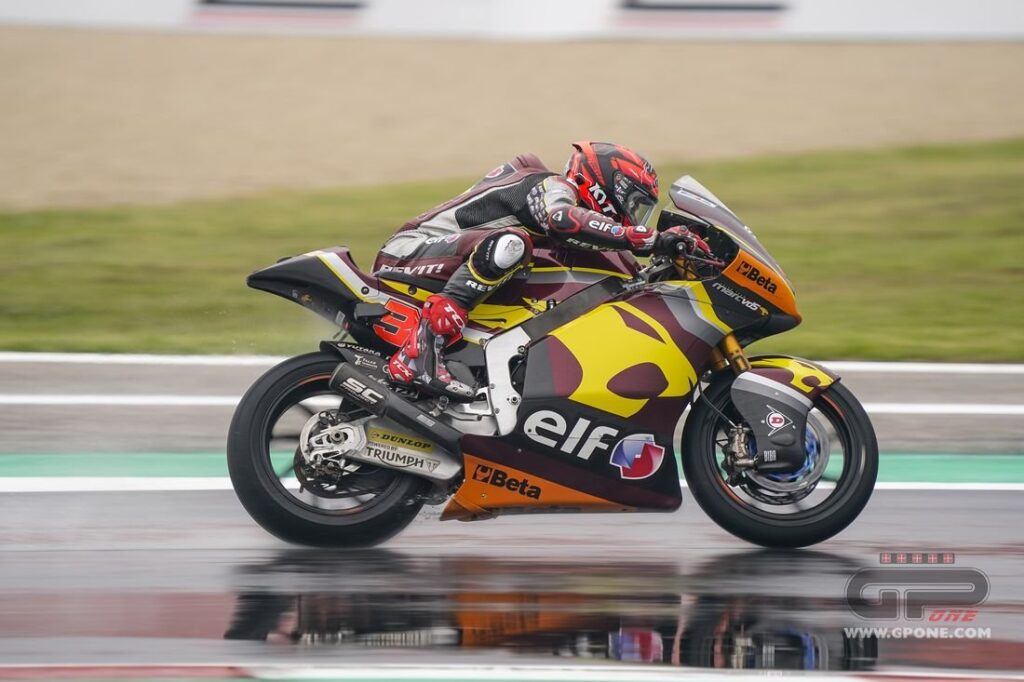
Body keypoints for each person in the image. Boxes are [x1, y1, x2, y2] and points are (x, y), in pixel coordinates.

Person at [373, 141, 709, 399]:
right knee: (513, 244)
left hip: (443, 260)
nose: (633, 218)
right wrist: (649, 239)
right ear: (606, 186)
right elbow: (563, 220)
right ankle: (420, 352)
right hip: (408, 252)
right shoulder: (550, 187)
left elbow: (625, 273)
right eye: (633, 204)